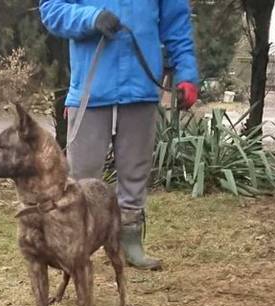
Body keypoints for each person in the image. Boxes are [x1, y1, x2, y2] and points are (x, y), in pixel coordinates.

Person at [40, 0, 199, 271]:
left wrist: (186, 73)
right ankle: (74, 243)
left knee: (136, 171)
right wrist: (91, 18)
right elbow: (52, 9)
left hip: (141, 86)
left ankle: (129, 240)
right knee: (81, 176)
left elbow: (176, 24)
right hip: (91, 89)